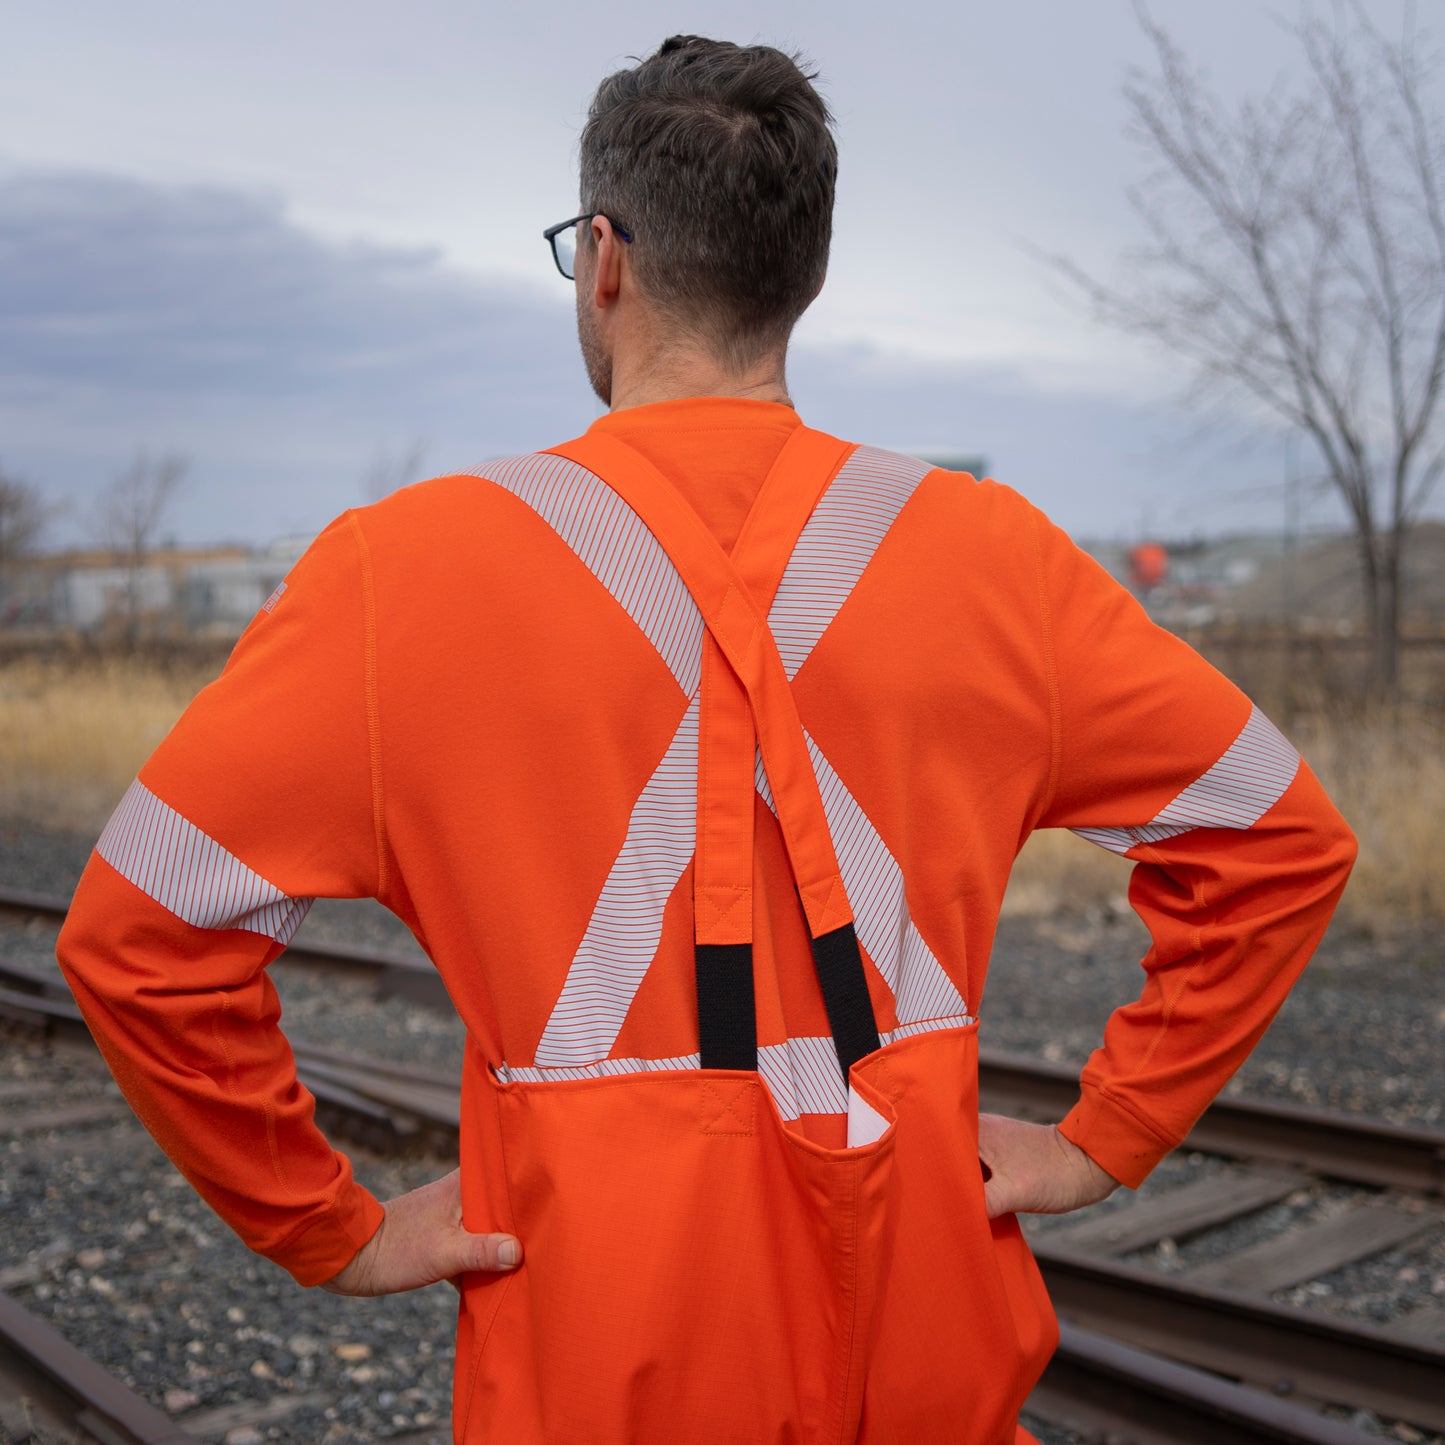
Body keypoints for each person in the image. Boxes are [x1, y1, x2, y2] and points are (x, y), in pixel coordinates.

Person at [57, 34, 1356, 1445]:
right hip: (930, 1361)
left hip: (594, 1369)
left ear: (604, 261)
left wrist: (326, 1223)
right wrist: (1110, 1132)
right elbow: (1274, 835)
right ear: (796, 273)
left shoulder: (397, 575)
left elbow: (141, 933)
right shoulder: (995, 557)